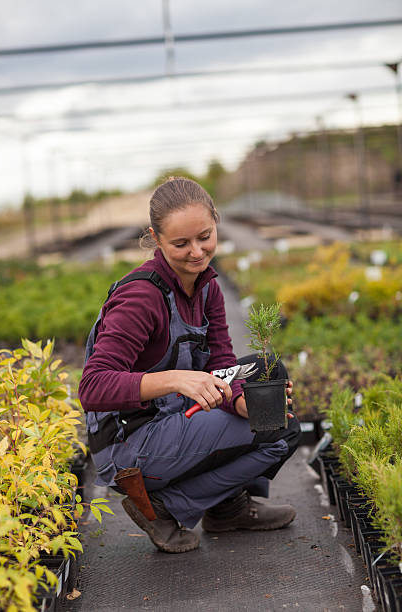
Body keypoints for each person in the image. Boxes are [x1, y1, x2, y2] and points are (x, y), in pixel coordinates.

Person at [79, 177, 301, 554]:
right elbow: (93, 387)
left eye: (205, 236)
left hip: (172, 422)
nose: (197, 252)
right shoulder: (141, 298)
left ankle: (224, 507)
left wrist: (237, 400)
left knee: (269, 378)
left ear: (216, 222)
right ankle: (165, 508)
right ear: (156, 238)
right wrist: (174, 379)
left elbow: (223, 366)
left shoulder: (207, 286)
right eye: (180, 244)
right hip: (129, 445)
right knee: (281, 430)